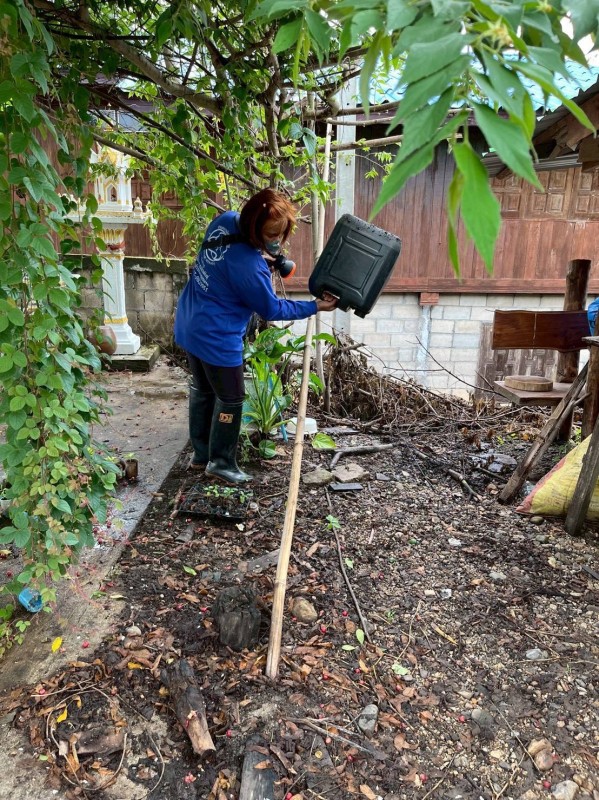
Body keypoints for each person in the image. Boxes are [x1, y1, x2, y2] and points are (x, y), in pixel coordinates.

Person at [174, 188, 337, 484]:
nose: (278, 240)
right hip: (216, 336)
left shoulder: (225, 220)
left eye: (281, 233)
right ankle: (221, 463)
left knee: (203, 389)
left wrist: (261, 256)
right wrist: (315, 306)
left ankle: (201, 455)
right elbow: (273, 308)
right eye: (271, 234)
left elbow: (225, 261)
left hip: (189, 321)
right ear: (253, 228)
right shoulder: (250, 267)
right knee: (231, 398)